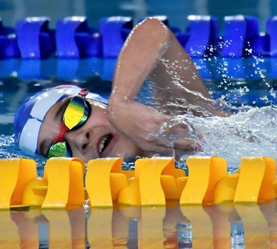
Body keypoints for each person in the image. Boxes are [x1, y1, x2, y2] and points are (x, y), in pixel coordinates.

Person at [14, 17, 231, 162]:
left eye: (74, 114)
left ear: (95, 100)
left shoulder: (180, 119)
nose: (79, 140)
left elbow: (154, 31)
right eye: (58, 150)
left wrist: (121, 103)